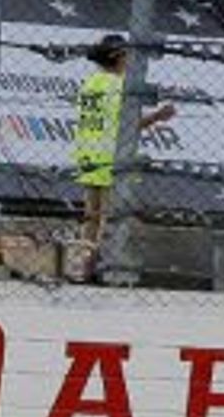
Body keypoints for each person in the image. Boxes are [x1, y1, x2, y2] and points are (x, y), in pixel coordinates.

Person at [71, 33, 174, 282]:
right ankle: (101, 266)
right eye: (127, 54)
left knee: (91, 215)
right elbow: (126, 126)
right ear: (118, 57)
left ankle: (82, 265)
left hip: (87, 152)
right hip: (111, 154)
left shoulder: (90, 83)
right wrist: (159, 116)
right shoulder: (119, 86)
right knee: (109, 215)